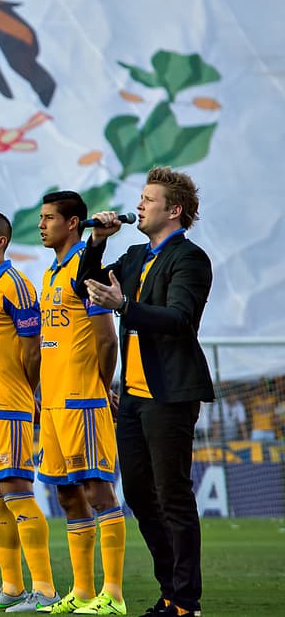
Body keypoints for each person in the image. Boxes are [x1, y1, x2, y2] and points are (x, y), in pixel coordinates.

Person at [79, 167, 213, 617]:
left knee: (172, 494)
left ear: (173, 210)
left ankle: (185, 601)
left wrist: (126, 307)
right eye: (139, 198)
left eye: (148, 199)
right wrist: (97, 243)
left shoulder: (190, 259)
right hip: (133, 397)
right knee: (138, 493)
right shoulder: (135, 255)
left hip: (170, 392)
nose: (138, 206)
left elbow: (179, 319)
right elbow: (87, 287)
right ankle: (169, 592)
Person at [0, 207, 58, 612]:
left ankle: (45, 589)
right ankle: (13, 587)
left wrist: (23, 390)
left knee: (17, 495)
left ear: (0, 242)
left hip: (6, 407)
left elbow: (32, 350)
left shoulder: (15, 284)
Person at [36, 192, 127, 616]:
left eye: (50, 218)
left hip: (83, 401)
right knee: (69, 497)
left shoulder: (85, 267)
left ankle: (115, 595)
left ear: (73, 223)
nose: (42, 225)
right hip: (53, 403)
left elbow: (106, 338)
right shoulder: (51, 272)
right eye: (41, 218)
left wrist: (99, 385)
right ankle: (85, 592)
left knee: (98, 492)